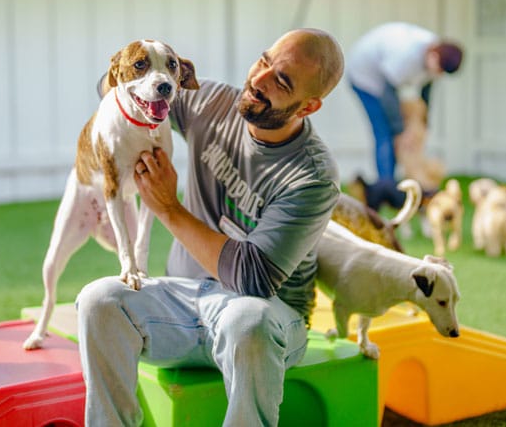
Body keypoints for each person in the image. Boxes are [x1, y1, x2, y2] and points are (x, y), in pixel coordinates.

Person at [76, 28, 345, 426]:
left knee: (247, 322)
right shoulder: (211, 101)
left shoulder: (313, 176)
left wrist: (169, 208)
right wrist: (126, 78)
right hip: (180, 302)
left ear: (307, 107)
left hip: (268, 315)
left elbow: (252, 278)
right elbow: (117, 84)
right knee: (98, 300)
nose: (259, 79)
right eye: (264, 60)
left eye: (281, 81)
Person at [345, 22, 463, 211]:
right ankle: (387, 189)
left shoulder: (433, 58)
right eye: (439, 69)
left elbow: (426, 91)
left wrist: (424, 123)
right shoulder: (406, 56)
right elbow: (387, 93)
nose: (439, 75)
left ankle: (400, 190)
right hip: (365, 77)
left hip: (385, 79)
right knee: (384, 132)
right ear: (433, 56)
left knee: (400, 135)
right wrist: (400, 131)